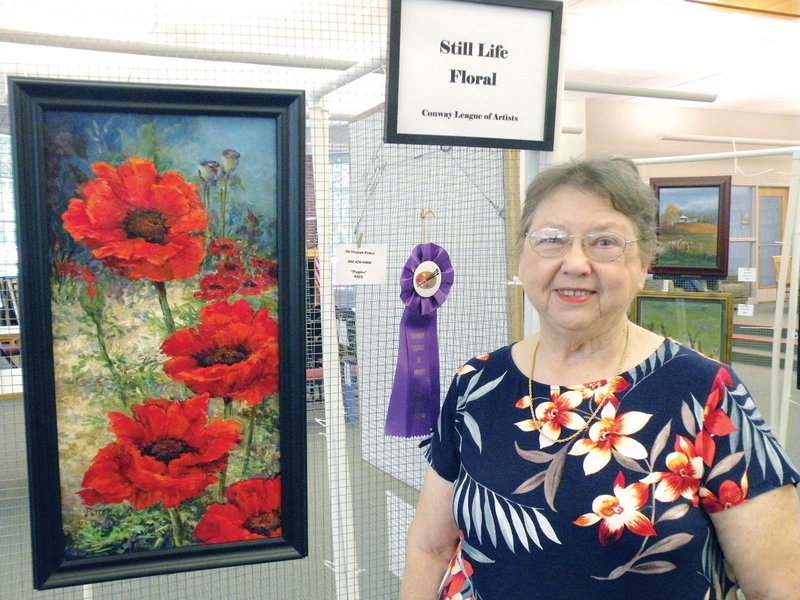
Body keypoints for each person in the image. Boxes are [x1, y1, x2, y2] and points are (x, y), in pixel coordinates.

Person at [399, 155, 800, 600]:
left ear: (646, 258)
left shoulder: (704, 394)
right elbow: (429, 547)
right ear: (522, 254)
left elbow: (780, 586)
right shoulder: (476, 384)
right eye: (551, 239)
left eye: (605, 242)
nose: (575, 263)